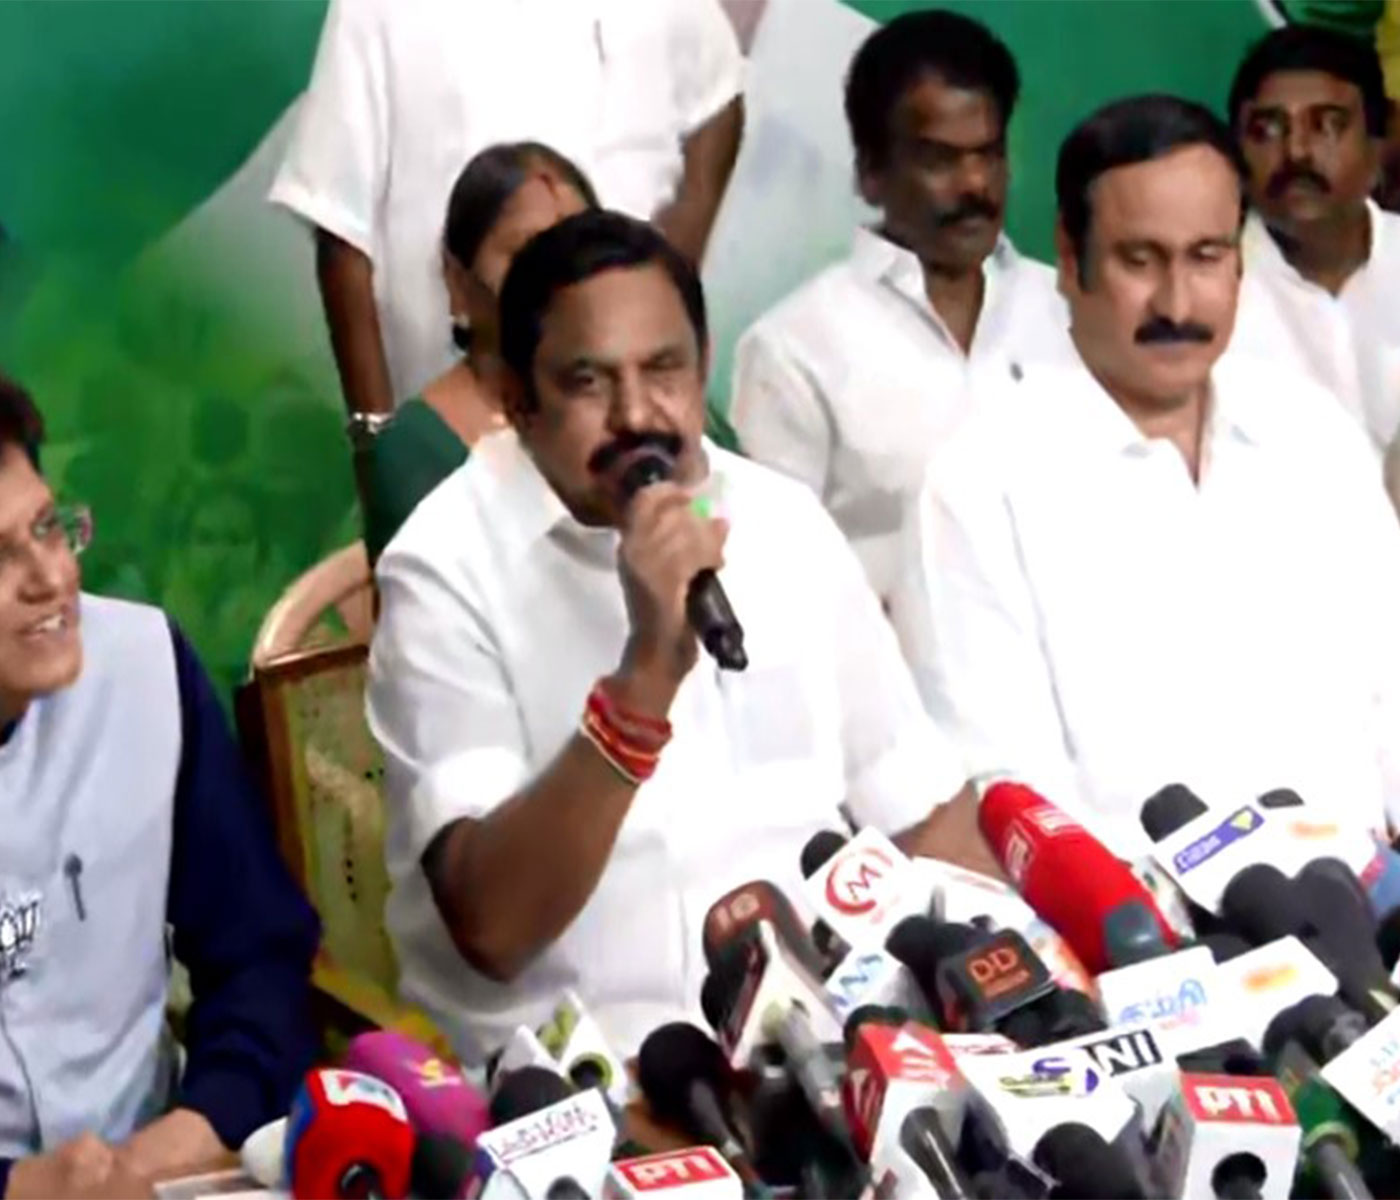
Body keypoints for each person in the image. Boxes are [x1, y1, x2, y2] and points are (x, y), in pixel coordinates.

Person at [366, 209, 984, 1062]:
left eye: (664, 371)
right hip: (582, 1087)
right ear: (517, 401)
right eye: (588, 382)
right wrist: (648, 672)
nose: (635, 415)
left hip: (820, 1055)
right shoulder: (443, 572)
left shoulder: (783, 524)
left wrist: (1013, 992)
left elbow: (925, 815)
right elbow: (494, 927)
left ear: (701, 371)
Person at [0, 359, 320, 1197]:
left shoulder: (146, 667)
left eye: (49, 527)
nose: (52, 579)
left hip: (165, 1170)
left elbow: (260, 951)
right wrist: (6, 1191)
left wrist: (195, 1131)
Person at [897, 95, 1400, 857]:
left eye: (1206, 256)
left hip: (1369, 903)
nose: (1177, 303)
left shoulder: (1315, 437)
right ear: (1070, 258)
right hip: (1142, 924)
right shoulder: (981, 485)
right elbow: (1009, 795)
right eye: (1140, 260)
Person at [268, 0, 745, 456]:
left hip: (623, 402)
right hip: (457, 424)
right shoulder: (377, 9)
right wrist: (375, 441)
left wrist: (668, 274)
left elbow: (718, 96)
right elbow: (340, 233)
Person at [729, 10, 1070, 608]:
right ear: (871, 173)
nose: (975, 185)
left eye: (988, 154)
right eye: (940, 159)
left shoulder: (1069, 312)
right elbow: (778, 579)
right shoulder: (793, 349)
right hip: (892, 665)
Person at [362, 141, 597, 564]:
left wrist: (695, 517)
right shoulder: (418, 453)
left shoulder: (648, 399)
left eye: (581, 247)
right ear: (458, 280)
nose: (560, 276)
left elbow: (716, 506)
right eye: (527, 253)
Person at [1228, 25, 1400, 457]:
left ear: (1379, 145)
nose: (1297, 152)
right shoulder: (1199, 294)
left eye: (1327, 125)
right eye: (1268, 130)